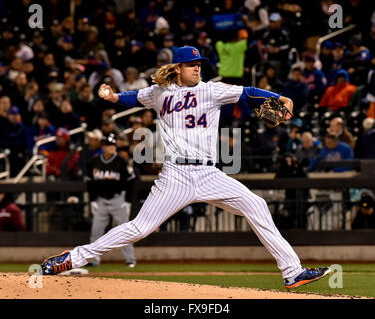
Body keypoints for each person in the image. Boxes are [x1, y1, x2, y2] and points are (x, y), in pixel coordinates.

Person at [41, 46, 331, 290]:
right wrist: (113, 97)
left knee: (256, 205)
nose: (197, 69)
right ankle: (74, 258)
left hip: (209, 174)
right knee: (139, 228)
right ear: (178, 68)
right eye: (192, 65)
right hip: (175, 175)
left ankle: (292, 272)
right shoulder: (160, 93)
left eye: (199, 64)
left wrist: (279, 98)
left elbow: (248, 92)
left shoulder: (212, 91)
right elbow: (135, 97)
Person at [85, 133, 137, 268]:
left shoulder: (122, 161)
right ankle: (94, 259)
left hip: (118, 200)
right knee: (96, 231)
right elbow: (90, 183)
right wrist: (92, 200)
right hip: (101, 200)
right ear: (103, 147)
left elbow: (131, 181)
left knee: (126, 231)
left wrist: (128, 201)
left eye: (113, 145)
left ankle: (130, 259)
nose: (111, 147)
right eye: (108, 145)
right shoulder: (94, 162)